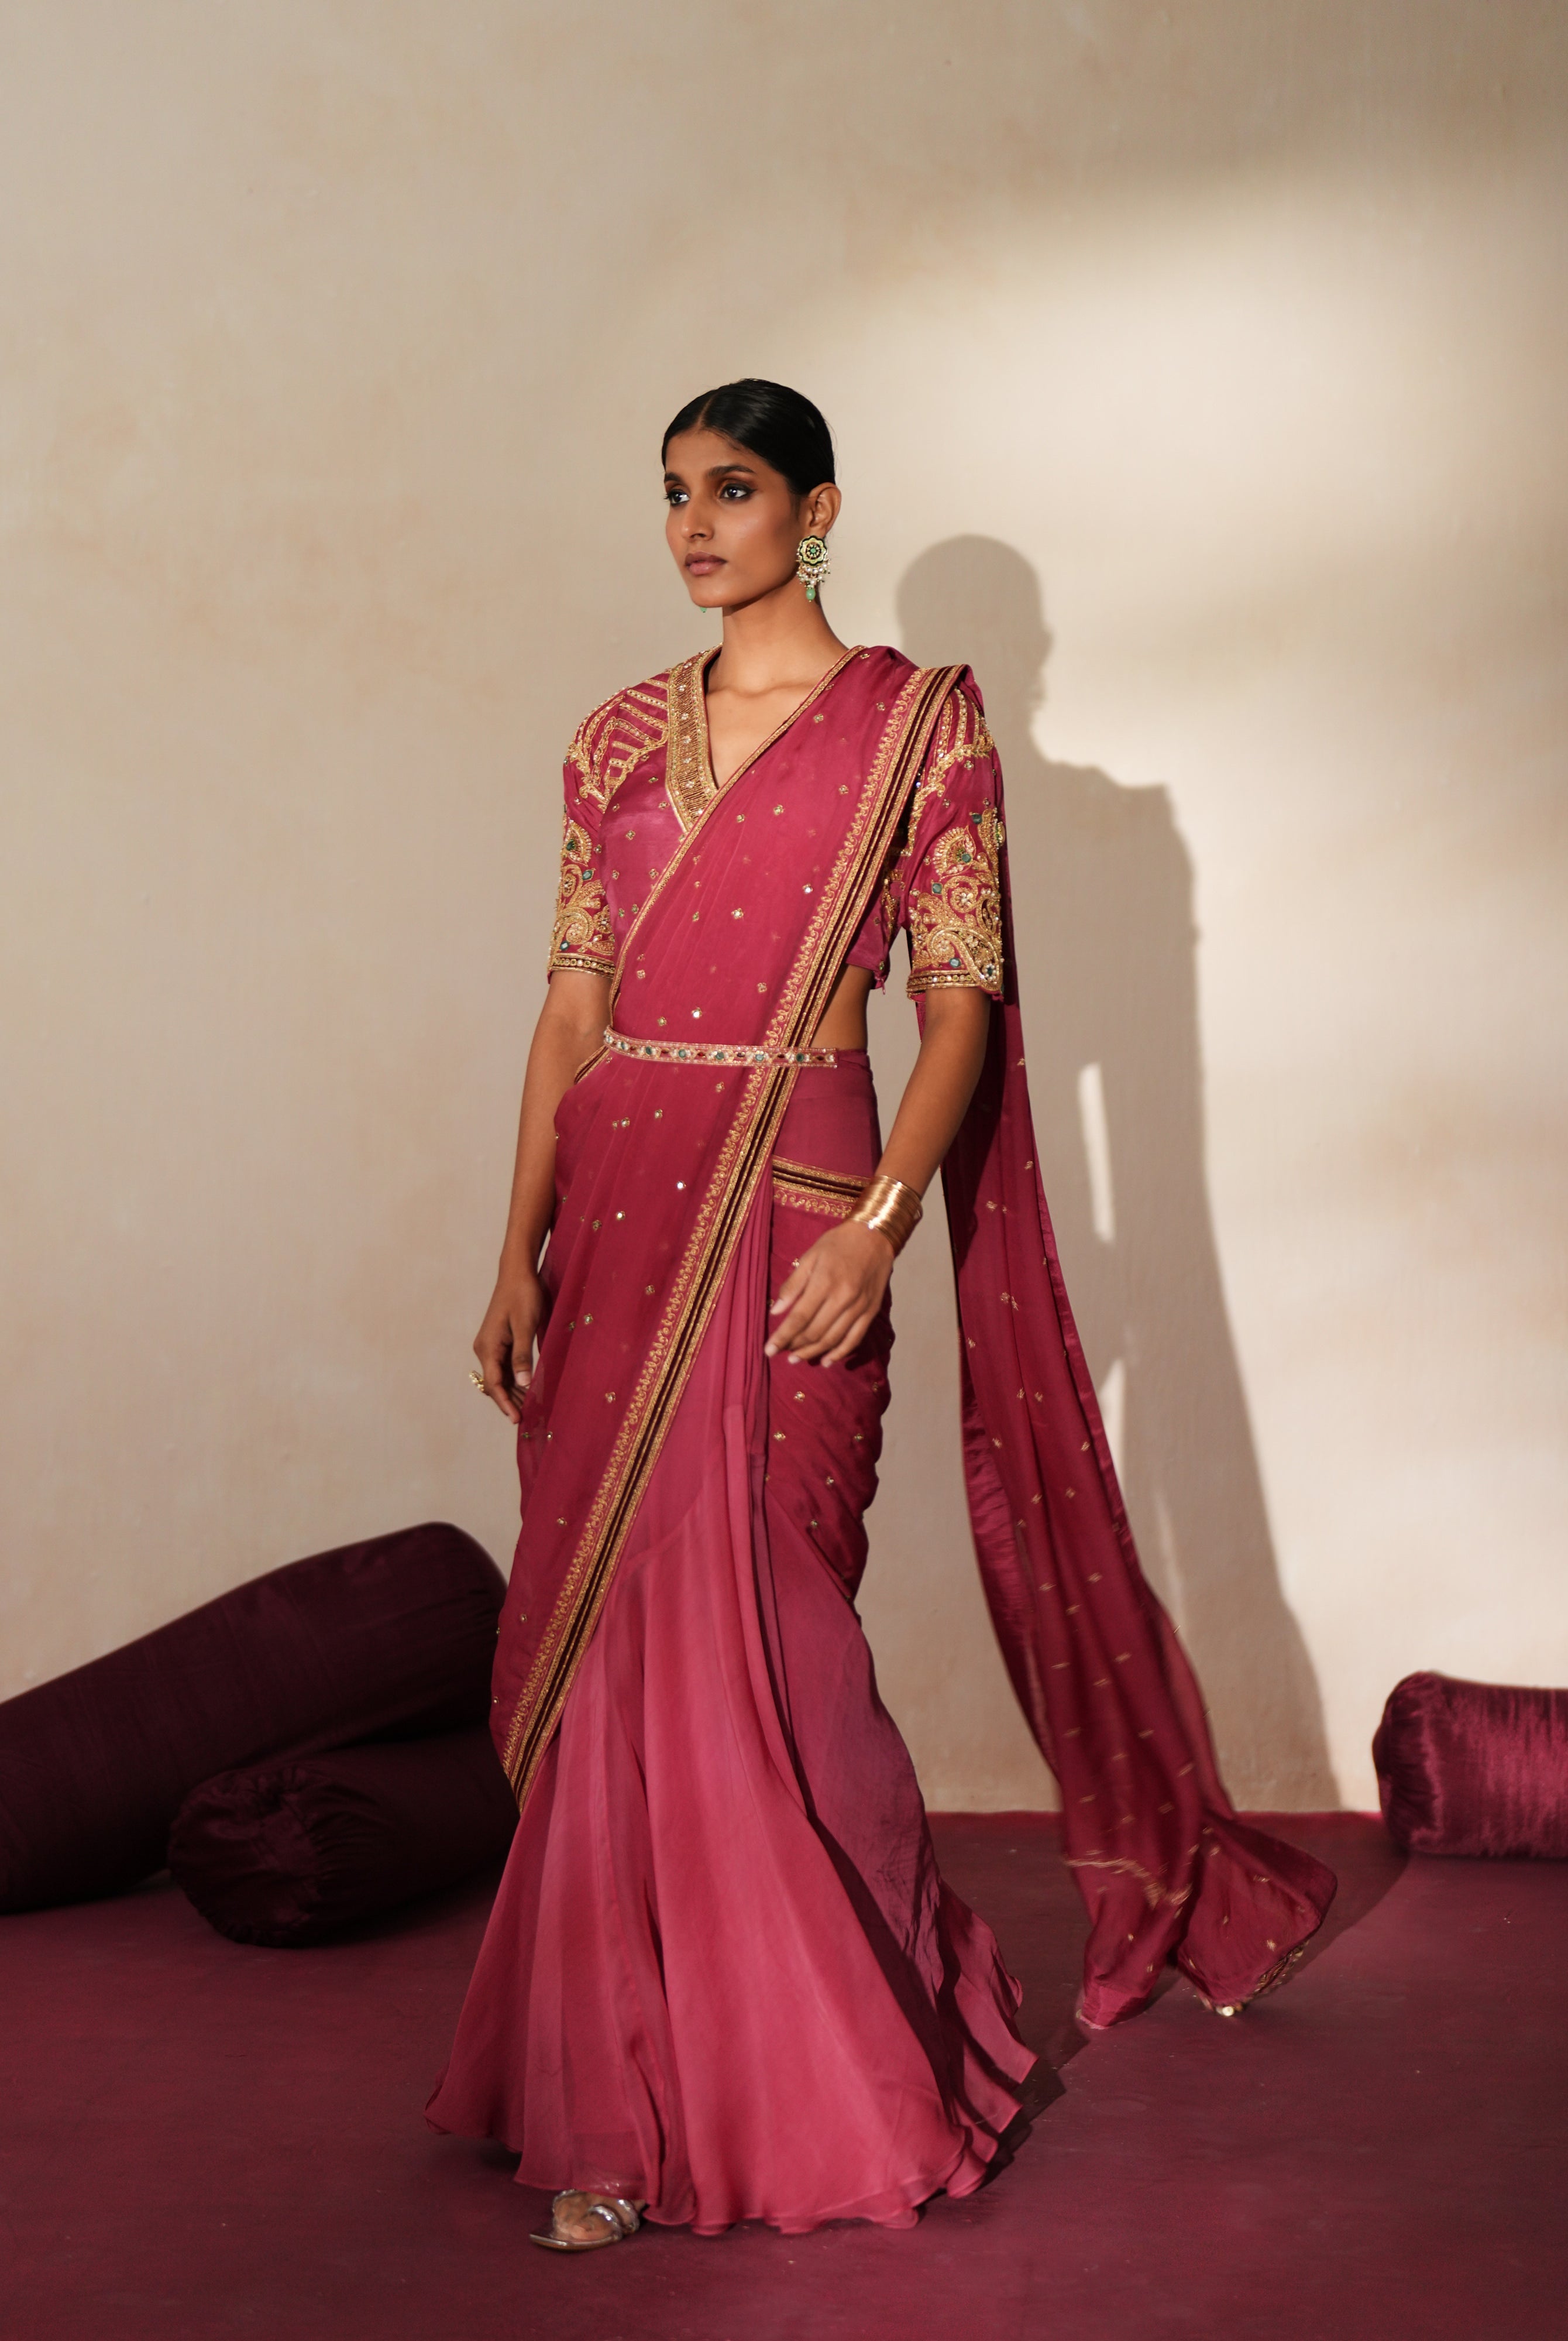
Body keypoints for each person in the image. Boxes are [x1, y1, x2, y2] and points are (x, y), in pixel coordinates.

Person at [426, 380, 1335, 2250]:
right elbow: (574, 1014)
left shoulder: (923, 729)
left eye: (734, 490)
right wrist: (512, 1244)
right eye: (674, 493)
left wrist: (889, 1219)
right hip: (613, 1214)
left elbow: (961, 1012)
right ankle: (609, 2099)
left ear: (815, 509)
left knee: (777, 1628)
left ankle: (854, 2059)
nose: (694, 523)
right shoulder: (609, 741)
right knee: (614, 1663)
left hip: (803, 1190)